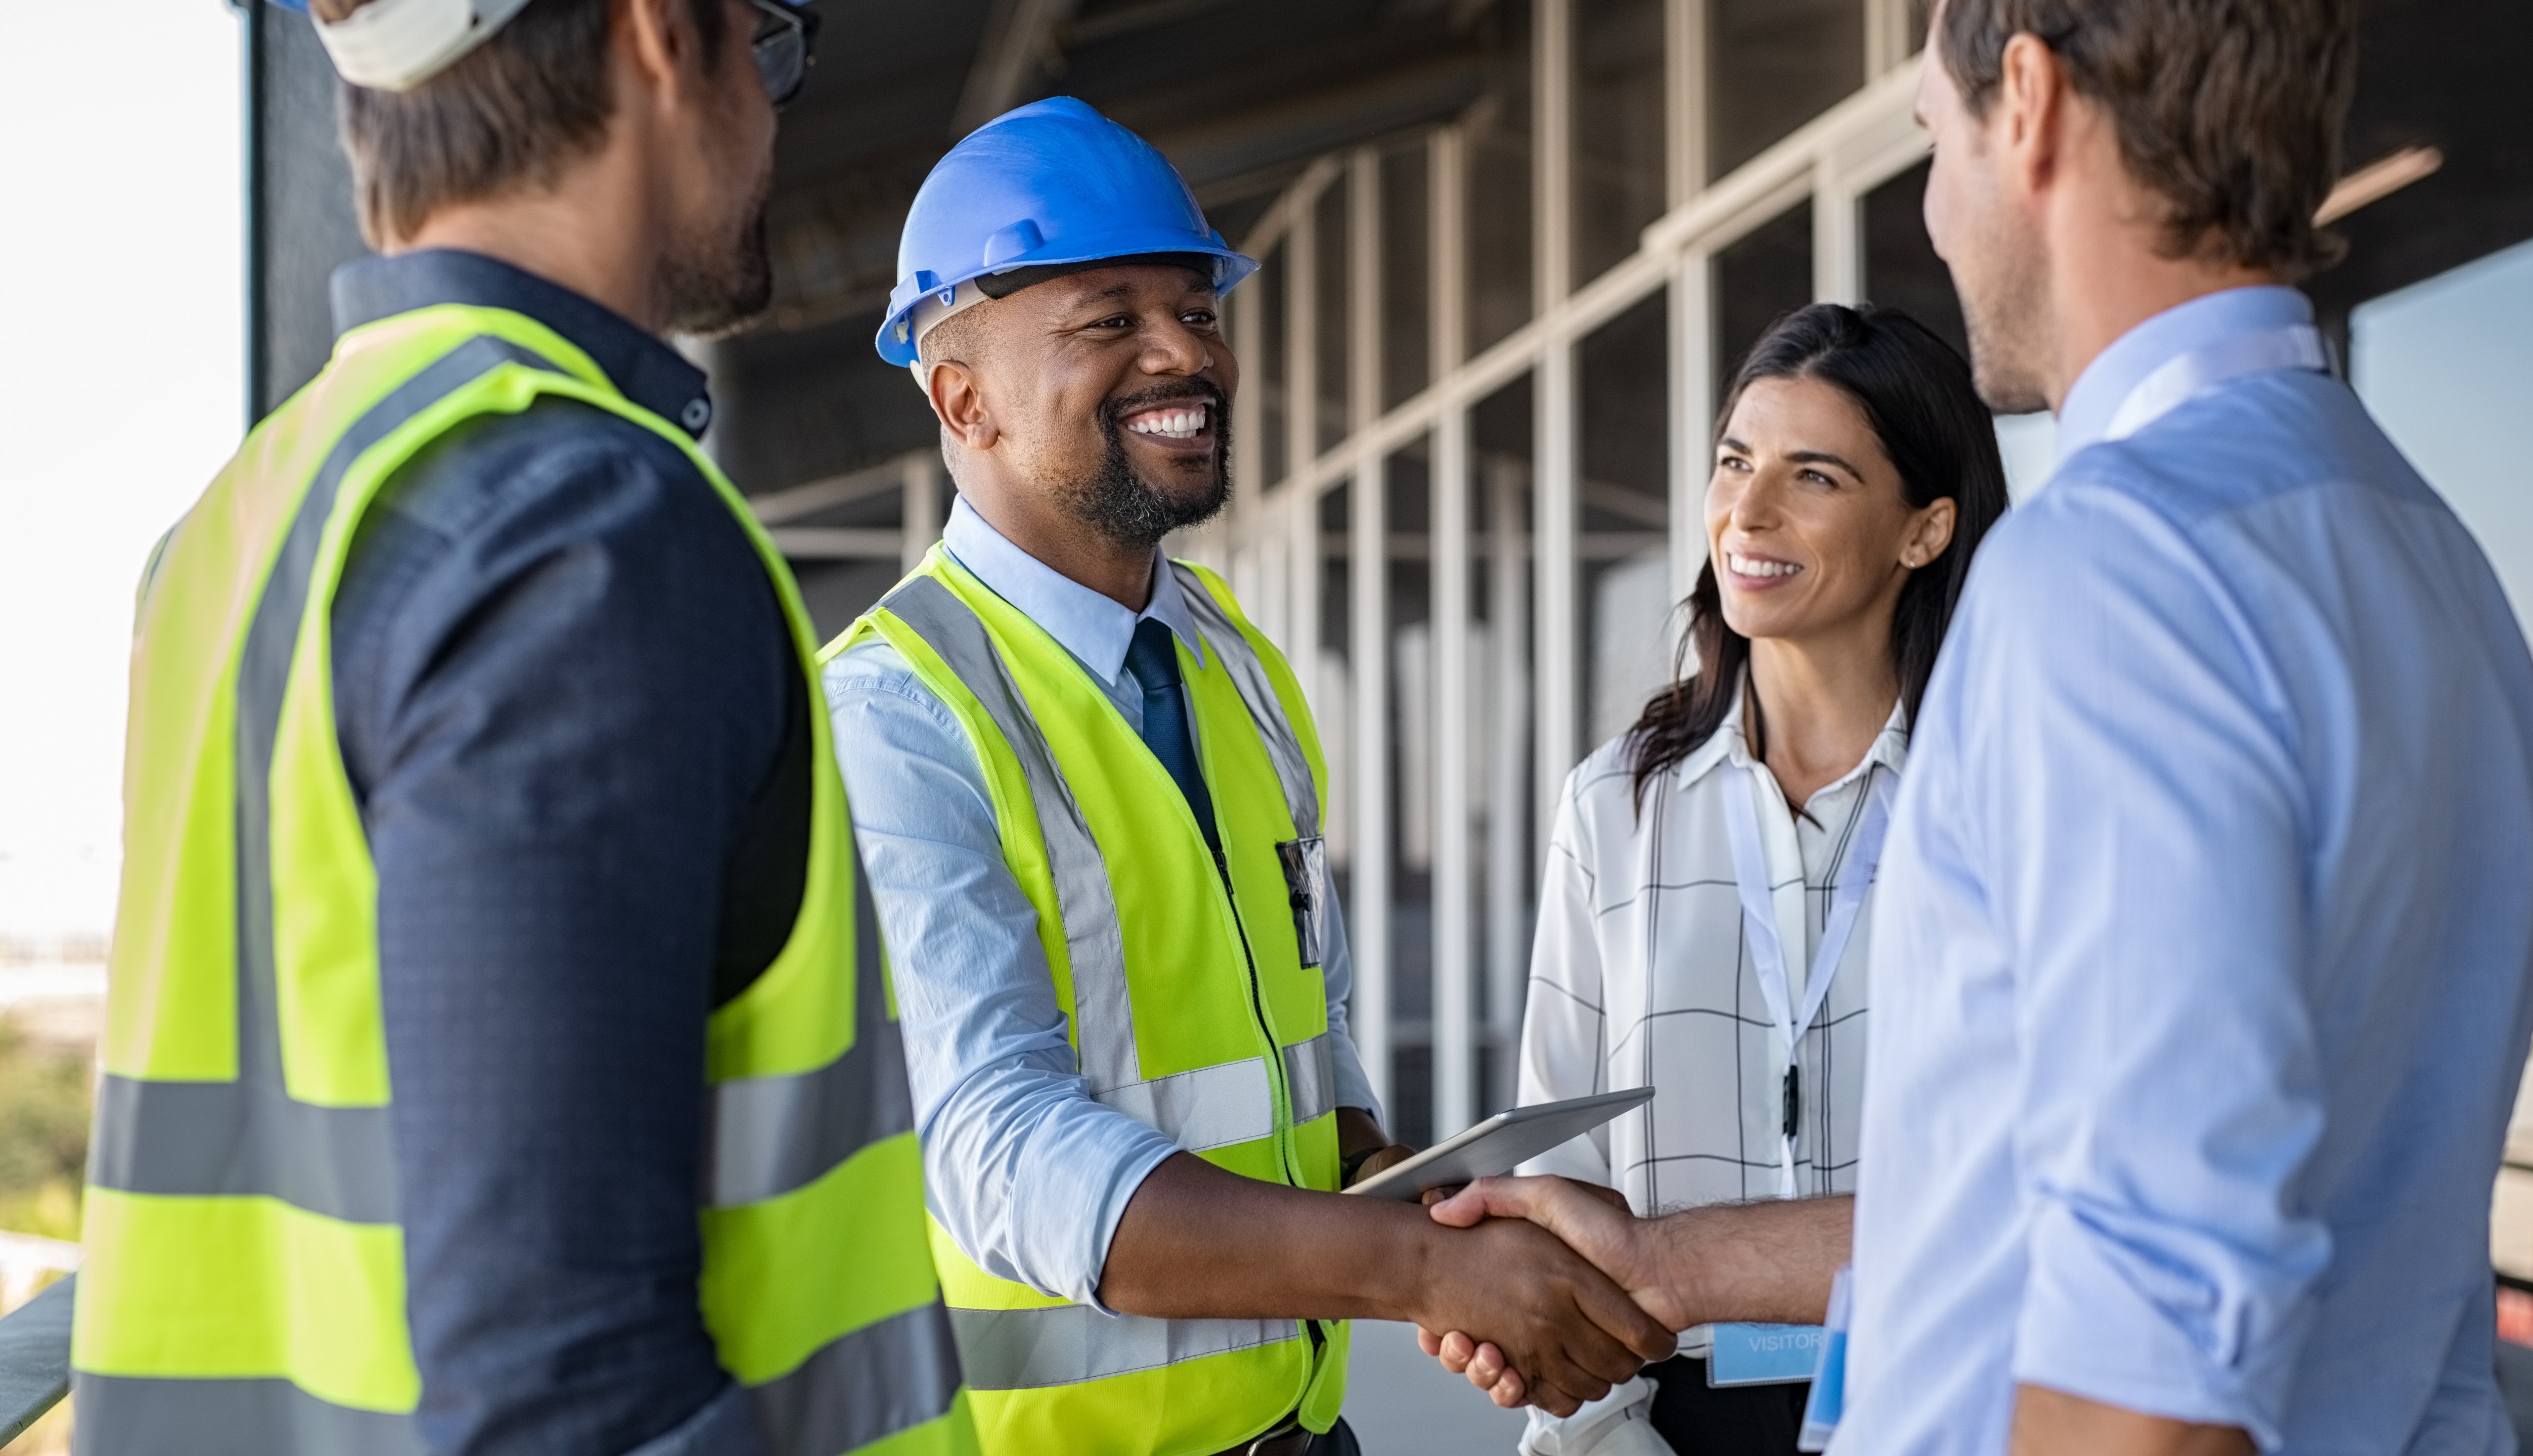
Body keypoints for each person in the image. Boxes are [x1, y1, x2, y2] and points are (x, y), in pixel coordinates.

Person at [1424, 1, 2533, 1452]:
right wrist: (1668, 1266)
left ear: (2024, 103)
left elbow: (2147, 1345)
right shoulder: (2428, 552)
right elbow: (2031, 1202)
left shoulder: (2118, 569)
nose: (1938, 216)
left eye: (1930, 138)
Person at [72, 3, 976, 1454]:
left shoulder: (245, 518)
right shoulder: (579, 534)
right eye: (769, 40)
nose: (772, 102)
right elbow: (567, 1393)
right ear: (661, 37)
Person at [822, 97, 1671, 1456]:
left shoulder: (1230, 663)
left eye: (1199, 309)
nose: (1187, 354)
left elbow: (1302, 1056)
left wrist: (1426, 1203)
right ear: (960, 395)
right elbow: (1004, 1151)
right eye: (1111, 319)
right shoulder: (894, 716)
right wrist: (1426, 1276)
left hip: (1302, 1435)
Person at [1507, 303, 2006, 1456]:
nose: (1749, 511)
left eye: (1814, 476)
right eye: (1735, 462)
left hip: (1945, 1406)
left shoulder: (1999, 801)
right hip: (1671, 1415)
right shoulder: (1613, 805)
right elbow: (1558, 1167)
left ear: (1923, 531)